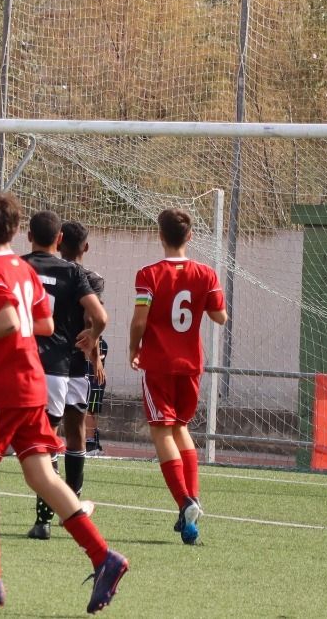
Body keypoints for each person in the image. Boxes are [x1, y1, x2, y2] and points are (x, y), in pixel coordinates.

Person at [0, 192, 127, 613]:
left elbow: (9, 320)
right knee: (41, 475)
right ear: (14, 229)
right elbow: (41, 321)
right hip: (32, 383)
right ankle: (104, 557)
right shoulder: (22, 271)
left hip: (5, 385)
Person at [129, 207, 228, 546]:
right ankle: (193, 499)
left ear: (160, 236)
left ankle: (184, 500)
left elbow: (140, 319)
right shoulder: (207, 274)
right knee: (182, 428)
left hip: (158, 363)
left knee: (161, 432)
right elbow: (220, 317)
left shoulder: (148, 274)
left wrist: (133, 348)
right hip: (190, 364)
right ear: (189, 237)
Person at [24, 214, 107, 541]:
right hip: (74, 363)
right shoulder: (86, 277)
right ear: (83, 246)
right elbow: (93, 316)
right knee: (75, 433)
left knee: (47, 439)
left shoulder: (31, 268)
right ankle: (72, 504)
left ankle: (46, 517)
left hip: (45, 361)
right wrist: (94, 348)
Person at [85, 335, 108, 455]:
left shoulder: (101, 344)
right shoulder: (87, 341)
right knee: (87, 412)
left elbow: (93, 357)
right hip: (89, 383)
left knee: (89, 412)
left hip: (94, 383)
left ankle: (91, 444)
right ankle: (93, 443)